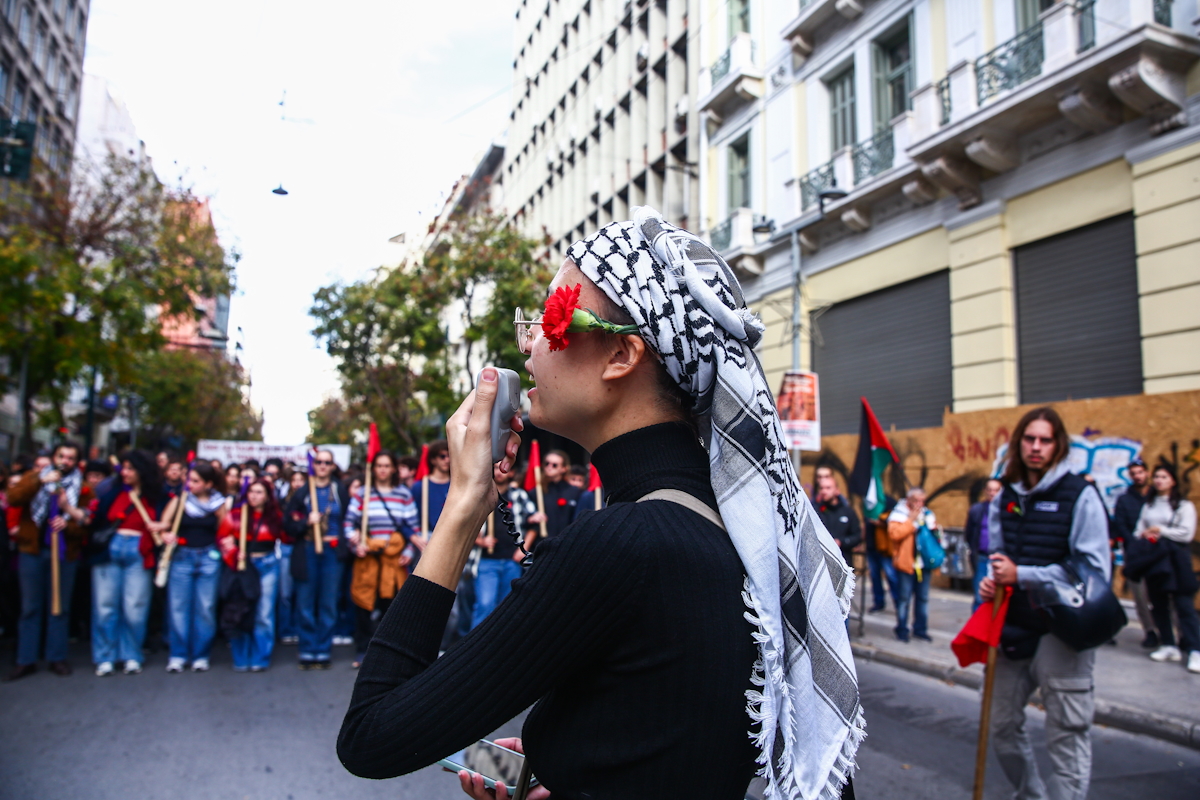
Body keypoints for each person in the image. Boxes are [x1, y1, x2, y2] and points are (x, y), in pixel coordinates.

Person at [337, 208, 860, 800]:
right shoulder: (738, 528)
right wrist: (567, 762)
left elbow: (371, 735)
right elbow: (670, 744)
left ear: (621, 356)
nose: (530, 344)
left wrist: (463, 503)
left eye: (553, 318)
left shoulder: (624, 544)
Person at [979, 406, 1111, 800]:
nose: (1036, 447)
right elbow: (998, 558)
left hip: (1065, 631)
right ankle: (1030, 795)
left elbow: (1094, 572)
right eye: (1030, 438)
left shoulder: (1080, 495)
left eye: (1045, 440)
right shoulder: (1004, 496)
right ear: (1019, 443)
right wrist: (992, 583)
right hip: (1015, 627)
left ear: (1058, 445)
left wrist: (1022, 574)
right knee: (1000, 725)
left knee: (1067, 734)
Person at [4, 443, 88, 681]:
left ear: (76, 462)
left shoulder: (83, 488)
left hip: (63, 554)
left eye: (70, 458)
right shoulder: (34, 477)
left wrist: (67, 523)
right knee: (30, 608)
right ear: (53, 458)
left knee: (59, 608)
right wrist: (40, 481)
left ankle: (56, 657)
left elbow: (87, 523)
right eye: (61, 456)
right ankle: (26, 660)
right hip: (32, 551)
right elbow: (13, 498)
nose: (65, 461)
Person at [90, 450, 162, 676]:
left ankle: (131, 654)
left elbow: (164, 520)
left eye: (131, 468)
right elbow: (96, 519)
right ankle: (105, 656)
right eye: (124, 468)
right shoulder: (110, 491)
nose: (125, 472)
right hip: (111, 549)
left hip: (139, 551)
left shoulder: (156, 496)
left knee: (135, 608)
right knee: (105, 607)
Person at [343, 451, 417, 668]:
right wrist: (355, 543)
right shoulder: (363, 493)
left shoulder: (404, 494)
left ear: (393, 468)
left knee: (391, 606)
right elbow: (349, 523)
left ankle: (385, 654)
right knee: (363, 604)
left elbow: (413, 528)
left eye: (387, 465)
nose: (383, 470)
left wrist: (409, 551)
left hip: (393, 559)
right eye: (379, 465)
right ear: (373, 469)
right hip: (368, 557)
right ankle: (362, 651)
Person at [157, 462, 227, 673]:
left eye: (196, 481)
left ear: (208, 484)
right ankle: (178, 654)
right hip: (182, 557)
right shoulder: (180, 500)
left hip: (209, 557)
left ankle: (200, 655)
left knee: (205, 608)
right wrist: (165, 535)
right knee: (178, 607)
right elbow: (163, 526)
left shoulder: (219, 503)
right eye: (189, 480)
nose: (190, 484)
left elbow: (224, 530)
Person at [284, 448, 345, 669]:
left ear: (332, 466)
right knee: (305, 602)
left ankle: (323, 650)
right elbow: (288, 524)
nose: (322, 466)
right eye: (319, 462)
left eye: (327, 462)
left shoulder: (339, 490)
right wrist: (305, 522)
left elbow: (349, 518)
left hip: (332, 551)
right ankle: (308, 650)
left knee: (328, 603)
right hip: (307, 549)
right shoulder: (303, 492)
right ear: (313, 465)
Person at [1135, 464, 1199, 672]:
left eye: (1164, 477)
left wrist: (1160, 530)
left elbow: (1186, 533)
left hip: (1176, 561)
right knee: (1158, 604)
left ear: (1173, 481)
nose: (1159, 480)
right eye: (1156, 476)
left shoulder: (1183, 506)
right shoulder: (1149, 505)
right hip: (1155, 560)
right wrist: (1147, 534)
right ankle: (1168, 644)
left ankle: (1195, 649)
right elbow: (1139, 530)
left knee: (1184, 606)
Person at [218, 477, 286, 672]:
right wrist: (232, 552)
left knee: (264, 613)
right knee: (240, 610)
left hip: (267, 565)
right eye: (251, 492)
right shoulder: (235, 515)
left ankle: (260, 656)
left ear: (267, 496)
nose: (254, 496)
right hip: (242, 566)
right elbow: (222, 538)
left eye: (259, 492)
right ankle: (240, 656)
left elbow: (286, 536)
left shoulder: (275, 517)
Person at [471, 462, 535, 629]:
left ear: (511, 472)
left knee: (506, 607)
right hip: (486, 560)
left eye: (503, 468)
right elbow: (466, 524)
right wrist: (480, 541)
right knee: (485, 604)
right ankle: (475, 643)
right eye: (495, 467)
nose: (499, 472)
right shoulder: (480, 494)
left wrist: (523, 549)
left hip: (511, 561)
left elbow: (534, 524)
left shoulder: (519, 495)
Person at [1111, 457, 1157, 647]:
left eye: (1140, 472)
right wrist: (1134, 545)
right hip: (1135, 554)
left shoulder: (1157, 497)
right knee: (1140, 596)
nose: (1137, 476)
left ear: (1147, 473)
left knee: (1161, 594)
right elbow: (1121, 525)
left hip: (1158, 552)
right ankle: (1150, 631)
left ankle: (1168, 632)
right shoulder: (1124, 499)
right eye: (1133, 474)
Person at [887, 487, 936, 643]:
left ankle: (920, 629)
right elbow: (894, 534)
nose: (919, 504)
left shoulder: (927, 514)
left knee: (923, 598)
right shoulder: (898, 514)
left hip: (924, 564)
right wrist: (911, 521)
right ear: (908, 500)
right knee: (904, 598)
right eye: (916, 500)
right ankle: (902, 629)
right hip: (906, 563)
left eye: (922, 501)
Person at [523, 449, 583, 554]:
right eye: (547, 463)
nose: (549, 467)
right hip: (542, 547)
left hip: (567, 547)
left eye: (554, 465)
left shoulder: (575, 492)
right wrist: (530, 518)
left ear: (564, 468)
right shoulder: (535, 492)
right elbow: (522, 517)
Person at [277, 469, 309, 646]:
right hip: (285, 548)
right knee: (285, 593)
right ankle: (285, 629)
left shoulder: (309, 503)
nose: (297, 483)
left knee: (301, 592)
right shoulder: (283, 503)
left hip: (302, 548)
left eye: (300, 480)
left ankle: (299, 628)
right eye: (294, 480)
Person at [966, 478, 1004, 612]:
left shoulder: (1006, 510)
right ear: (985, 491)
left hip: (1000, 559)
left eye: (996, 490)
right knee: (980, 595)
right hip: (982, 556)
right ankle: (977, 623)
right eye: (990, 490)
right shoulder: (977, 510)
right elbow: (969, 533)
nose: (992, 493)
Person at [814, 472, 862, 569]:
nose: (824, 491)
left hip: (843, 563)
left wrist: (841, 542)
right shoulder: (815, 511)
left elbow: (857, 535)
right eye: (821, 488)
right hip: (821, 564)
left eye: (828, 488)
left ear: (837, 490)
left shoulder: (848, 512)